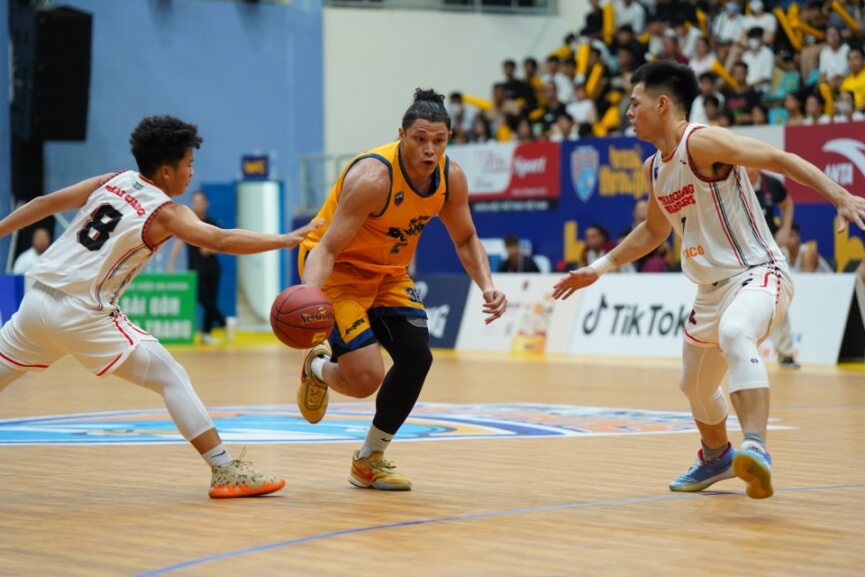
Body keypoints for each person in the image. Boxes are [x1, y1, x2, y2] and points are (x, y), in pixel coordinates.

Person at [552, 61, 865, 500]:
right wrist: (600, 268)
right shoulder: (653, 169)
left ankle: (756, 446)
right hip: (709, 292)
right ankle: (716, 455)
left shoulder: (702, 142)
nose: (627, 112)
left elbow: (779, 158)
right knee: (694, 387)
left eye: (634, 103)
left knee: (738, 332)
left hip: (758, 273)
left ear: (662, 104)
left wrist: (839, 194)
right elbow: (654, 231)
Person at [0, 115, 322, 498]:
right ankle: (224, 470)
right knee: (171, 377)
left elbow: (44, 203)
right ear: (167, 171)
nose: (191, 172)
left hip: (35, 300)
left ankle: (225, 468)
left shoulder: (112, 180)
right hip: (82, 313)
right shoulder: (165, 211)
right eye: (188, 164)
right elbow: (220, 239)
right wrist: (286, 239)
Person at [296, 89, 507, 491]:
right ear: (401, 135)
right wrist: (310, 296)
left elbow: (466, 239)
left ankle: (369, 459)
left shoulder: (450, 177)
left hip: (389, 274)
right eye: (420, 140)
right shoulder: (373, 178)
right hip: (338, 271)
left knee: (417, 357)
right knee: (365, 380)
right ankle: (318, 368)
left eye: (439, 141)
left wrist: (488, 286)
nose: (430, 150)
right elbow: (327, 247)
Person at [745, 166, 799, 369]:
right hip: (744, 253)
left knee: (778, 300)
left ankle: (785, 354)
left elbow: (787, 203)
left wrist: (785, 229)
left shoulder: (772, 184)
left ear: (758, 165)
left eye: (751, 165)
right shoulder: (735, 182)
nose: (747, 170)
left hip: (771, 252)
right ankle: (742, 353)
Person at [167, 190, 226, 344]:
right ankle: (224, 322)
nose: (198, 204)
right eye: (196, 201)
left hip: (212, 269)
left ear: (206, 204)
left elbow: (222, 244)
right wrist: (171, 262)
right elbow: (179, 241)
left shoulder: (212, 223)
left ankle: (206, 333)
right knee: (204, 300)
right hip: (195, 271)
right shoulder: (189, 222)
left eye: (201, 201)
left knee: (211, 301)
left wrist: (210, 249)